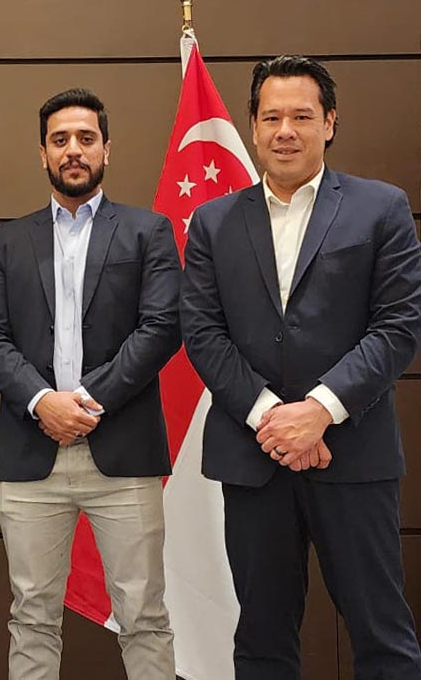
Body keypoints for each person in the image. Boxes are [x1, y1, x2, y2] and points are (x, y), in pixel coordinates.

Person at [181, 55, 421, 678]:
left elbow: (397, 327)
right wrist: (272, 419)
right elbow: (203, 333)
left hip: (352, 455)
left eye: (302, 116)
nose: (285, 130)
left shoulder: (381, 208)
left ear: (330, 123)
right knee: (261, 640)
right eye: (272, 117)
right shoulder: (212, 221)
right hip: (252, 458)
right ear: (253, 127)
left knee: (382, 636)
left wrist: (317, 412)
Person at [0, 88, 179, 679]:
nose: (73, 150)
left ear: (107, 149)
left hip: (124, 454)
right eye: (60, 140)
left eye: (86, 138)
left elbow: (162, 327)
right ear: (42, 153)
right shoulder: (7, 241)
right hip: (32, 455)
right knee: (32, 615)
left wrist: (89, 401)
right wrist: (43, 402)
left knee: (143, 614)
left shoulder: (147, 232)